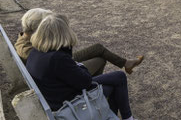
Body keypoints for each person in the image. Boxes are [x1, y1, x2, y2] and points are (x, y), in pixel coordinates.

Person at [26, 14, 139, 120]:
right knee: (119, 78)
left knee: (115, 77)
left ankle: (126, 119)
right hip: (69, 103)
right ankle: (126, 119)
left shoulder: (36, 52)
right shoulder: (57, 58)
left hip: (56, 95)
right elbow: (85, 81)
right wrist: (76, 64)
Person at [15, 8, 144, 76]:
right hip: (61, 65)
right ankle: (125, 65)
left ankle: (126, 64)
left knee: (98, 49)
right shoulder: (28, 50)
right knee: (99, 55)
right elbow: (53, 61)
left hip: (58, 62)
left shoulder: (24, 40)